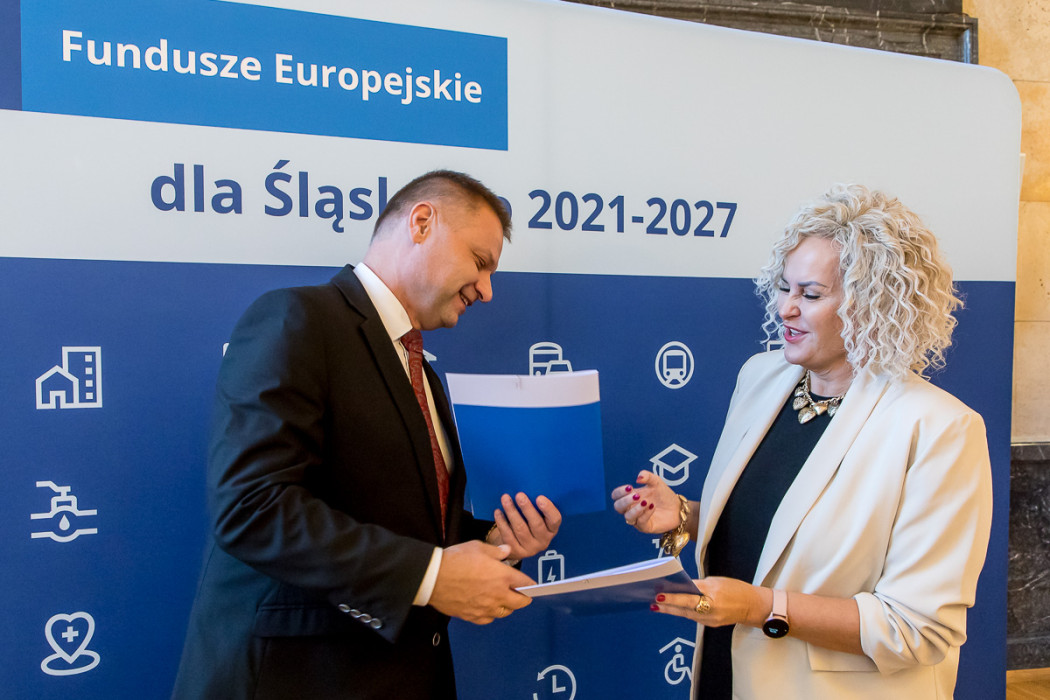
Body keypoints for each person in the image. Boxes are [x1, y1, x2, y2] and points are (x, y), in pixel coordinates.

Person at [173, 170, 562, 700]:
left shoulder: (423, 373)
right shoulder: (297, 320)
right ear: (422, 223)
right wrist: (431, 576)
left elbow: (408, 528)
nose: (487, 291)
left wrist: (495, 543)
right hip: (298, 681)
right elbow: (252, 507)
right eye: (480, 262)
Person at [612, 184, 992, 699]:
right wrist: (685, 515)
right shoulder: (761, 377)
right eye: (784, 287)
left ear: (871, 306)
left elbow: (918, 629)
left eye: (810, 295)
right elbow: (783, 531)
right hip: (726, 676)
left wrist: (760, 607)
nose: (785, 309)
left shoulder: (939, 428)